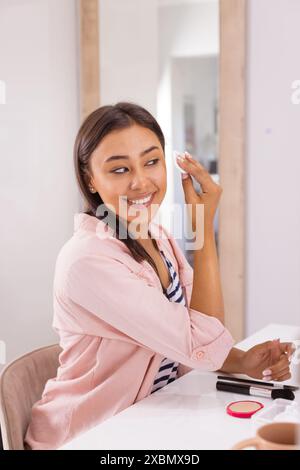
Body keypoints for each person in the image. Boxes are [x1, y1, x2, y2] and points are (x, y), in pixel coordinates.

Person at [25, 102, 294, 450]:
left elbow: (190, 335)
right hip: (89, 437)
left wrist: (242, 361)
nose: (141, 181)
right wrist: (201, 228)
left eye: (152, 161)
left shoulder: (157, 238)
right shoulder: (87, 261)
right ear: (89, 178)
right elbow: (199, 339)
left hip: (149, 421)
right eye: (120, 169)